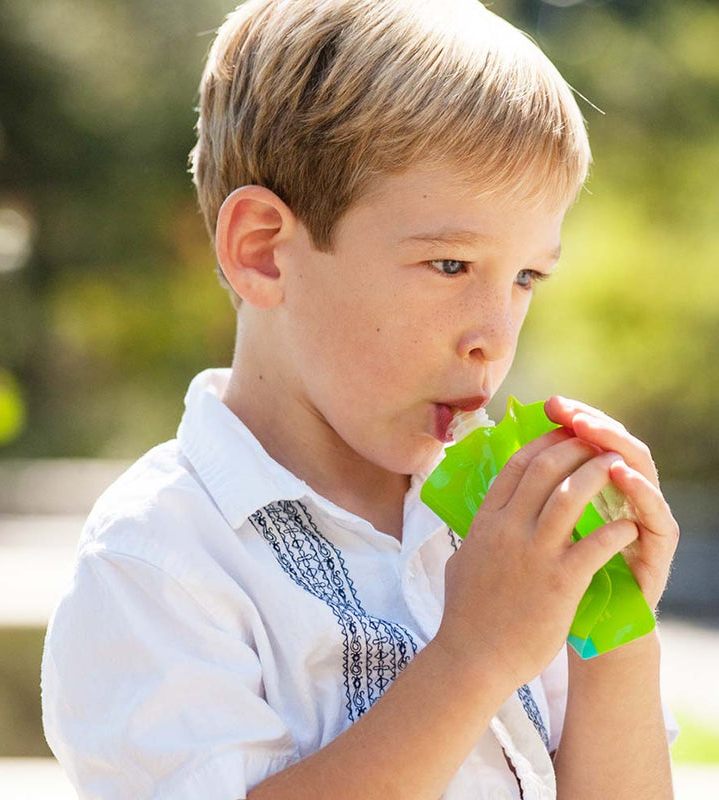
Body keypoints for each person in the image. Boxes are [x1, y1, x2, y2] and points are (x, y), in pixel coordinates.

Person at [40, 1, 681, 797]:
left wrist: (612, 631)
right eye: (451, 265)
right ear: (265, 253)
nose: (494, 335)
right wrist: (473, 657)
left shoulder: (498, 529)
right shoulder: (162, 560)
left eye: (525, 278)